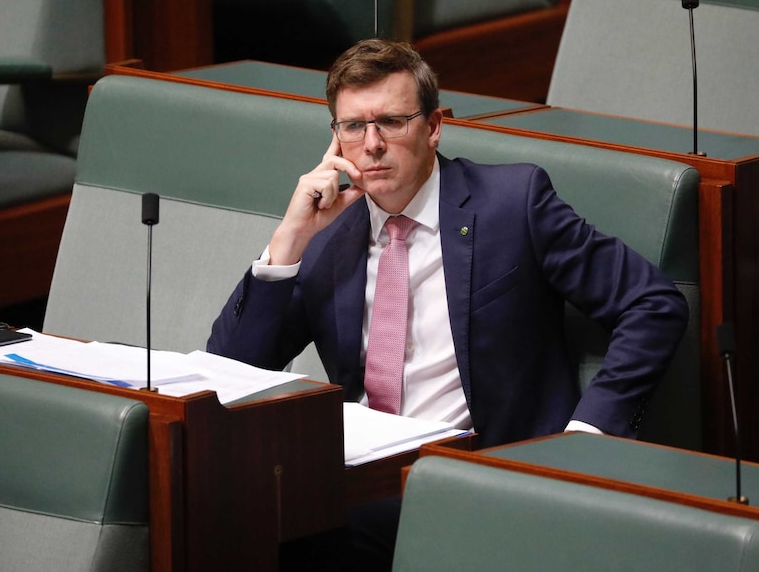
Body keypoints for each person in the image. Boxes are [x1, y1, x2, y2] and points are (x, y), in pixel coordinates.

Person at [207, 39, 688, 570]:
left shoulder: (512, 203)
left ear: (433, 127)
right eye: (353, 127)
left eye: (391, 121)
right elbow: (232, 372)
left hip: (487, 477)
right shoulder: (325, 236)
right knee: (229, 518)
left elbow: (653, 304)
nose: (371, 144)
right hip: (364, 476)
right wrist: (288, 240)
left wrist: (588, 435)